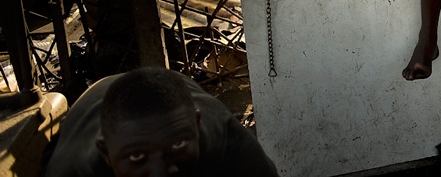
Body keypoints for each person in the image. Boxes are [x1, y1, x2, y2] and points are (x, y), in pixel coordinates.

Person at [44, 67, 279, 177]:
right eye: (137, 157)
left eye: (177, 146)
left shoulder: (228, 143)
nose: (160, 173)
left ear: (197, 126)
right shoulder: (73, 170)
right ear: (105, 152)